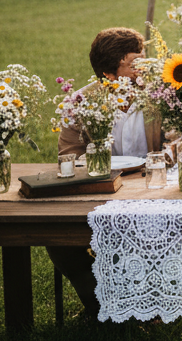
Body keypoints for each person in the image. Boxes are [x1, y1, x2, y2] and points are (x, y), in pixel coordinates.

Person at [50, 28, 169, 319]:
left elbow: (179, 140)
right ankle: (101, 303)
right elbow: (69, 156)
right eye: (134, 64)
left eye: (144, 60)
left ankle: (144, 307)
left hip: (152, 189)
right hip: (99, 191)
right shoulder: (80, 103)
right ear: (109, 73)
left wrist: (167, 154)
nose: (143, 69)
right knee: (57, 238)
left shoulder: (160, 96)